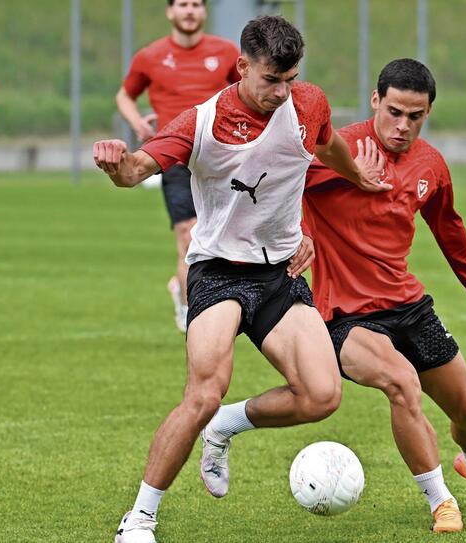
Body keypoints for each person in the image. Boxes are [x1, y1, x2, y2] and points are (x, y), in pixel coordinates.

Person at [92, 16, 390, 543]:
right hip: (219, 272)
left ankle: (227, 425)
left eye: (290, 79)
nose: (282, 92)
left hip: (280, 274)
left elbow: (326, 145)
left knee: (322, 395)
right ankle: (138, 520)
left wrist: (356, 174)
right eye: (270, 80)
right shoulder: (200, 123)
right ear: (243, 66)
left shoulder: (309, 103)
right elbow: (138, 169)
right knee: (202, 392)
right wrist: (116, 164)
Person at [305, 58, 466, 532]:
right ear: (375, 100)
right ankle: (440, 499)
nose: (403, 126)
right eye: (395, 111)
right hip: (346, 316)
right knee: (401, 383)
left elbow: (449, 228)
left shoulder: (431, 164)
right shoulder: (336, 152)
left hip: (408, 307)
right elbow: (279, 189)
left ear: (427, 113)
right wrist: (299, 237)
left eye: (415, 116)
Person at [117, 0, 240, 332]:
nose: (190, 10)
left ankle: (187, 286)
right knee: (188, 236)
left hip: (219, 158)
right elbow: (125, 95)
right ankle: (189, 310)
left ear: (204, 12)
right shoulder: (150, 56)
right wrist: (138, 126)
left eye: (196, 4)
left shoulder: (226, 52)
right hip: (173, 157)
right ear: (170, 12)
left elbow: (244, 92)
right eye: (183, 4)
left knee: (220, 236)